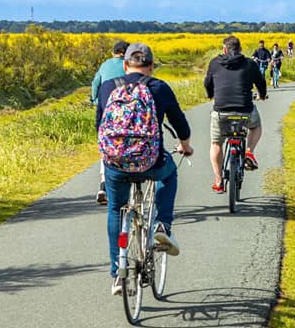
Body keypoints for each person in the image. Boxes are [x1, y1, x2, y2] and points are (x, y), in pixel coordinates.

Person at [95, 42, 194, 295]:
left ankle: (117, 272)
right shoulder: (159, 87)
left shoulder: (108, 87)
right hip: (151, 161)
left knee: (116, 210)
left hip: (116, 164)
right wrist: (185, 145)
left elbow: (99, 126)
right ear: (151, 66)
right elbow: (179, 122)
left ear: (125, 65)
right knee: (169, 174)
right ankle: (163, 225)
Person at [204, 36, 268, 193]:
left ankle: (219, 181)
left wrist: (210, 94)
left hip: (221, 111)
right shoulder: (250, 64)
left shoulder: (214, 63)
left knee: (216, 143)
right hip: (245, 110)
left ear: (224, 49)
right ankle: (249, 152)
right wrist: (262, 95)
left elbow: (207, 83)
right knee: (256, 126)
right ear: (240, 49)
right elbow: (261, 83)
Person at [91, 39, 130, 205]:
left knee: (106, 147)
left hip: (106, 111)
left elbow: (95, 83)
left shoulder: (105, 65)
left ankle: (103, 184)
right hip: (127, 112)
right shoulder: (129, 65)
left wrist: (94, 100)